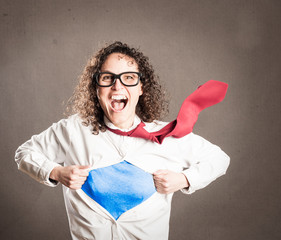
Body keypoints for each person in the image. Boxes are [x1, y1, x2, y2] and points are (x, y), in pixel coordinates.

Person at [15, 41, 230, 239]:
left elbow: (219, 159)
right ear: (96, 88)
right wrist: (56, 172)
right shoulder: (73, 130)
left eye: (128, 78)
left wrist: (184, 179)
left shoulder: (166, 135)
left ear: (141, 88)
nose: (117, 87)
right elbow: (24, 153)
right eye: (108, 78)